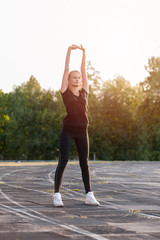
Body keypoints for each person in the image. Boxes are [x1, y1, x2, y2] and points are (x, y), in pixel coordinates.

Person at [53, 44, 100, 207]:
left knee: (84, 163)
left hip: (82, 130)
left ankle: (89, 194)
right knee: (63, 160)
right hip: (68, 130)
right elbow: (66, 69)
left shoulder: (84, 92)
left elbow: (84, 69)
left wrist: (84, 53)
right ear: (69, 80)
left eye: (79, 77)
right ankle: (57, 195)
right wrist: (69, 51)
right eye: (74, 77)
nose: (78, 79)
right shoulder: (65, 92)